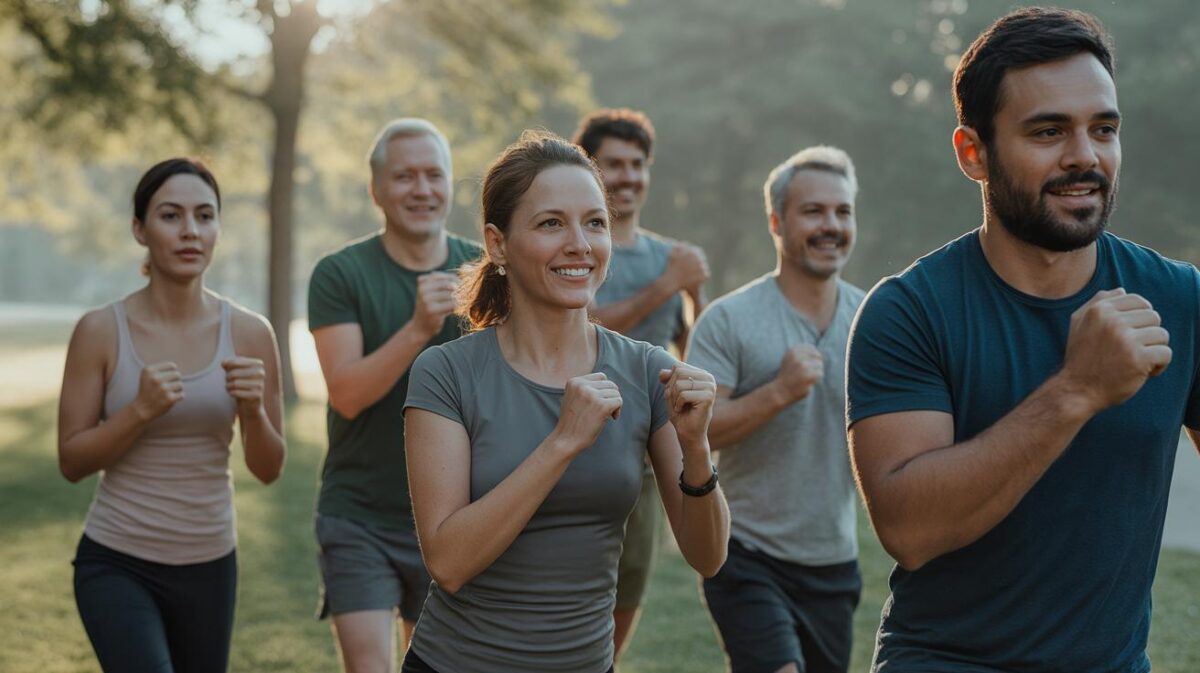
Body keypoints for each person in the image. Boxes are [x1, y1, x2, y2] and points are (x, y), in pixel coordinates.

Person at [846, 8, 1199, 672]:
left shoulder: (1182, 298)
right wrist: (1076, 391)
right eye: (1048, 131)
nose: (1084, 156)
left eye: (1104, 129)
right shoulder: (907, 312)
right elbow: (909, 530)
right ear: (973, 153)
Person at [399, 131, 730, 673]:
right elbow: (449, 562)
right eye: (551, 223)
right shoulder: (447, 373)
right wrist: (562, 443)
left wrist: (696, 449)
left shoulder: (647, 370)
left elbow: (708, 556)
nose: (580, 243)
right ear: (498, 243)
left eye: (595, 222)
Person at [58, 157, 286, 673]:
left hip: (210, 565)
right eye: (170, 216)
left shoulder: (251, 333)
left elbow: (269, 469)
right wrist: (139, 411)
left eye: (205, 216)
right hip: (117, 559)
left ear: (218, 229)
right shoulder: (99, 331)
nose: (190, 231)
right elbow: (71, 461)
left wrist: (251, 410)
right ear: (140, 229)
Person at [307, 118, 482, 672]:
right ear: (376, 190)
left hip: (455, 516)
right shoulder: (339, 273)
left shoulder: (484, 270)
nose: (422, 190)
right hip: (359, 514)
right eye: (404, 177)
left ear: (451, 184)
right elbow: (348, 395)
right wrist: (418, 326)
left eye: (434, 175)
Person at [687, 146, 864, 673]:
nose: (830, 225)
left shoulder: (872, 318)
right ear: (776, 220)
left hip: (834, 560)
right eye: (814, 211)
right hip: (745, 552)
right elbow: (697, 430)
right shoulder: (728, 320)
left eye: (842, 212)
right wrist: (778, 391)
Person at [573, 108, 711, 657]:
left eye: (638, 165)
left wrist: (696, 294)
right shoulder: (578, 248)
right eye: (613, 164)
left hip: (652, 456)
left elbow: (695, 352)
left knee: (629, 585)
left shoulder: (668, 255)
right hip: (576, 440)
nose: (628, 177)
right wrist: (666, 287)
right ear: (589, 170)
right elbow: (584, 328)